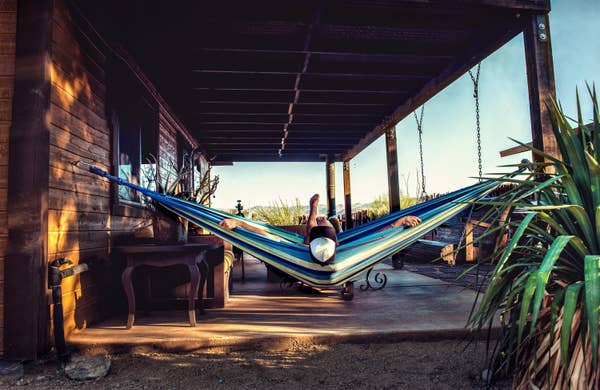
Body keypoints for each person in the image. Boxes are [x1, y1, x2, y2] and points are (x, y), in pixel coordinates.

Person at [219, 194, 421, 266]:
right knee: (316, 231)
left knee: (315, 230)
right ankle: (314, 213)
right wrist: (399, 221)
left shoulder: (301, 248)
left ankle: (313, 212)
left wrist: (240, 223)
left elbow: (267, 235)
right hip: (320, 244)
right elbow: (376, 236)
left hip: (315, 244)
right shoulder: (344, 250)